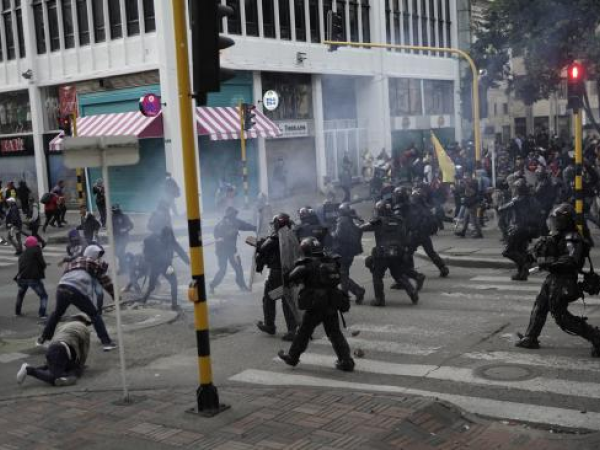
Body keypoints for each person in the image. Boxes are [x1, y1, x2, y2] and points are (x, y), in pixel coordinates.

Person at [516, 203, 600, 356]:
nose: (554, 223)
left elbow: (571, 259)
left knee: (561, 316)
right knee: (540, 305)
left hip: (564, 279)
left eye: (557, 220)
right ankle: (531, 337)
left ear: (565, 220)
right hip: (554, 277)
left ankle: (596, 337)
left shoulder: (572, 237)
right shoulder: (560, 235)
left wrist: (549, 263)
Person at [277, 237, 355, 372]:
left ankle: (292, 357)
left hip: (316, 304)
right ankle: (346, 361)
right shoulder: (331, 260)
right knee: (335, 333)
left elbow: (289, 278)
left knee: (304, 332)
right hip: (332, 301)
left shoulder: (306, 264)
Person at [37, 245, 117, 351]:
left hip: (62, 287)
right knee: (94, 315)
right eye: (98, 255)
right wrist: (115, 295)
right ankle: (107, 342)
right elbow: (104, 280)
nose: (99, 258)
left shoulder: (74, 262)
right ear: (93, 255)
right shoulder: (91, 262)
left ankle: (42, 339)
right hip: (76, 290)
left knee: (56, 314)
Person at [360, 201, 418, 306]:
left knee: (377, 275)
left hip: (382, 253)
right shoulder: (399, 220)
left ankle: (379, 299)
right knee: (398, 274)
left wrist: (358, 223)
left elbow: (363, 228)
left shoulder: (378, 221)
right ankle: (412, 292)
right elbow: (405, 237)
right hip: (397, 252)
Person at [255, 213, 298, 341]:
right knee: (288, 300)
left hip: (277, 273)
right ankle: (292, 329)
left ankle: (270, 325)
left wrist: (258, 244)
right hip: (291, 271)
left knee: (269, 298)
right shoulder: (292, 234)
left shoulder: (275, 238)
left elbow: (262, 249)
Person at [17, 314, 91, 387]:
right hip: (61, 350)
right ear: (84, 321)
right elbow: (84, 350)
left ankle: (67, 376)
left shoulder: (63, 326)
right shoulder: (84, 328)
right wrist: (81, 364)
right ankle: (29, 370)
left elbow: (55, 340)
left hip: (55, 349)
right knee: (55, 378)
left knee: (64, 367)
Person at [500, 179, 544, 281]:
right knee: (520, 250)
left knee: (508, 251)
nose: (514, 190)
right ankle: (522, 273)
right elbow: (540, 212)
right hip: (531, 229)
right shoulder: (533, 199)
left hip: (519, 228)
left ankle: (526, 262)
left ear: (518, 189)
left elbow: (502, 208)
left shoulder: (517, 200)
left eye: (515, 188)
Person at [142, 226, 189, 311]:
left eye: (171, 235)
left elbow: (180, 251)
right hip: (156, 267)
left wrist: (188, 262)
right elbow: (146, 256)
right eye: (168, 235)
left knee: (174, 283)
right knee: (151, 286)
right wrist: (155, 258)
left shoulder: (172, 241)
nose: (169, 237)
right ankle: (143, 301)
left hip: (168, 266)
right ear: (164, 235)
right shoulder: (152, 241)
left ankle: (174, 305)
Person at [209, 206, 255, 294]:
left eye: (235, 215)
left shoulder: (236, 222)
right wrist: (225, 235)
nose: (234, 216)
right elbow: (216, 235)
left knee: (238, 268)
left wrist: (255, 228)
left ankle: (242, 285)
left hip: (233, 250)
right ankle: (212, 285)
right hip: (222, 251)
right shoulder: (220, 225)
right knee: (222, 270)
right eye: (232, 215)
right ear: (228, 216)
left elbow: (246, 226)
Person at [407, 189, 449, 278]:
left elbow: (411, 222)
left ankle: (411, 273)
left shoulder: (413, 208)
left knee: (408, 254)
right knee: (431, 252)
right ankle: (443, 268)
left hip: (415, 235)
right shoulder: (426, 207)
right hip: (425, 235)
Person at [331, 203, 366, 304]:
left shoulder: (342, 220)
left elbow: (338, 235)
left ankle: (350, 294)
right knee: (343, 273)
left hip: (343, 250)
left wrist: (331, 234)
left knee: (342, 274)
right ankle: (353, 292)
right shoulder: (356, 219)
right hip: (352, 250)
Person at [14, 236, 48, 318]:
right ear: (35, 243)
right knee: (43, 296)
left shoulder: (23, 253)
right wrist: (43, 266)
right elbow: (42, 263)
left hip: (22, 278)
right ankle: (42, 314)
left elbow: (23, 265)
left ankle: (17, 312)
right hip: (33, 278)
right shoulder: (36, 250)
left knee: (20, 295)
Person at [455, 171, 483, 238]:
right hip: (468, 203)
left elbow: (472, 193)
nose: (465, 177)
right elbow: (462, 191)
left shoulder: (474, 182)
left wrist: (466, 185)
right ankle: (463, 232)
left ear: (469, 176)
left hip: (473, 203)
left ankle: (479, 233)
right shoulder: (468, 182)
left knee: (474, 219)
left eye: (466, 176)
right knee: (466, 218)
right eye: (464, 176)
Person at [112, 204, 134, 274]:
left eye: (115, 209)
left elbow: (131, 225)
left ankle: (123, 268)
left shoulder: (124, 216)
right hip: (116, 238)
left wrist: (125, 229)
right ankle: (129, 261)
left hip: (123, 238)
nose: (113, 211)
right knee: (117, 253)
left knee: (120, 252)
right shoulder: (112, 217)